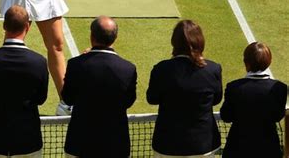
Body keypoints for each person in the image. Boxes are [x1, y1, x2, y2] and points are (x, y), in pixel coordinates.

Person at [0, 5, 48, 158]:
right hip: (28, 141)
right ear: (28, 26)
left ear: (4, 25)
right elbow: (40, 99)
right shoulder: (39, 62)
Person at [62, 16, 137, 158]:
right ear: (115, 38)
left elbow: (67, 98)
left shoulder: (75, 65)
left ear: (92, 36)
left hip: (80, 144)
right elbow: (128, 101)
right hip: (115, 146)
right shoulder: (128, 68)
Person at [146, 20, 222, 157]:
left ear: (174, 42)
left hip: (167, 145)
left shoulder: (161, 69)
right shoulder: (213, 69)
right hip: (203, 145)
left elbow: (152, 98)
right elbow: (216, 99)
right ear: (200, 41)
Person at [220, 42, 286, 158]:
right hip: (268, 149)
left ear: (246, 62)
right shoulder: (280, 88)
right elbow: (277, 116)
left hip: (237, 149)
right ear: (269, 61)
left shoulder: (233, 87)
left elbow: (226, 116)